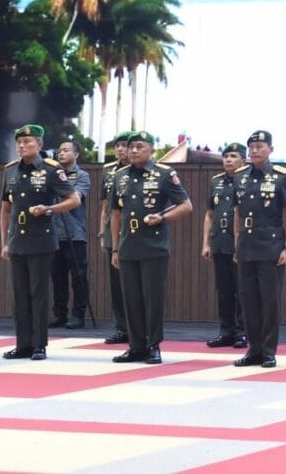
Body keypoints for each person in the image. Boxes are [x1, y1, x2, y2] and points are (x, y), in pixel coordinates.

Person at [110, 131, 192, 364]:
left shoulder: (164, 174)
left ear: (151, 150)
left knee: (152, 298)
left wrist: (163, 218)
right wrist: (114, 249)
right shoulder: (120, 176)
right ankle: (136, 346)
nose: (134, 151)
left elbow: (186, 205)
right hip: (127, 245)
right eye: (131, 147)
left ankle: (153, 345)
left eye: (140, 146)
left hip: (153, 245)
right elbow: (115, 214)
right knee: (131, 299)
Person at [0, 124, 80, 361]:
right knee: (20, 294)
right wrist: (4, 242)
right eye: (19, 142)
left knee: (38, 293)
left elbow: (73, 199)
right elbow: (5, 209)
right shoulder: (10, 170)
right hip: (17, 239)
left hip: (41, 239)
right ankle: (23, 344)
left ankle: (39, 345)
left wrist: (49, 209)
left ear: (40, 144)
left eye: (28, 142)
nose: (22, 146)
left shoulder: (51, 169)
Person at [232, 130, 286, 369]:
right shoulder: (240, 176)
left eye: (260, 146)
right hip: (246, 246)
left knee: (269, 301)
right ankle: (254, 349)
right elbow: (237, 212)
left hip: (271, 246)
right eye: (251, 147)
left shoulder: (281, 176)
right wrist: (236, 244)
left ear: (270, 149)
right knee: (248, 300)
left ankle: (269, 351)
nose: (255, 151)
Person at [202, 142, 247, 349]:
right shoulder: (216, 181)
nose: (228, 160)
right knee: (224, 290)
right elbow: (209, 214)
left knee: (241, 290)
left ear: (243, 160)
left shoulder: (247, 179)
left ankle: (242, 332)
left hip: (241, 243)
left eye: (233, 156)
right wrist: (206, 243)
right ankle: (226, 331)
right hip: (220, 241)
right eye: (226, 156)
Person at [50, 140, 92, 330]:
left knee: (78, 277)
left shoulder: (82, 176)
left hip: (75, 233)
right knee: (57, 276)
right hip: (54, 233)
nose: (61, 153)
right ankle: (60, 314)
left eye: (66, 150)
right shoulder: (52, 174)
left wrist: (60, 179)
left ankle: (78, 315)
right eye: (59, 150)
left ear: (76, 154)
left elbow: (75, 198)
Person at [99, 131, 132, 344]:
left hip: (134, 231)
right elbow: (105, 207)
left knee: (134, 284)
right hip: (112, 231)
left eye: (124, 145)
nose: (120, 149)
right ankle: (121, 328)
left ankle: (137, 328)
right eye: (118, 145)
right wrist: (102, 234)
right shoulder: (108, 171)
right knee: (116, 285)